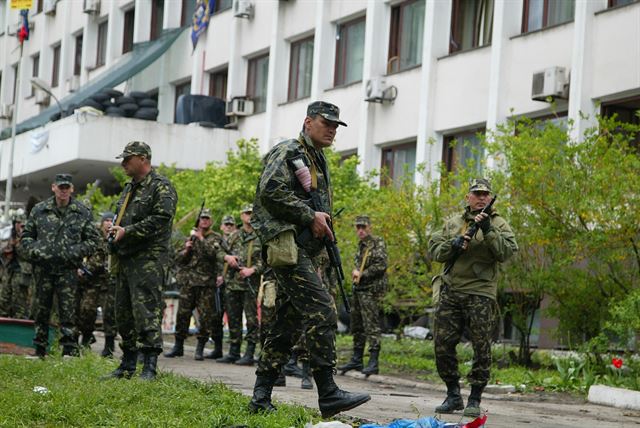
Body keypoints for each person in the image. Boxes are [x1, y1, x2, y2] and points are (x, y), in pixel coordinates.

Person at [249, 101, 370, 418]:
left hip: (306, 252)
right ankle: (328, 393)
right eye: (325, 123)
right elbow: (269, 191)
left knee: (285, 327)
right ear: (307, 122)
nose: (331, 129)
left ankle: (260, 397)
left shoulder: (317, 159)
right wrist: (309, 215)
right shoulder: (289, 151)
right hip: (289, 250)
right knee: (322, 309)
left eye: (335, 125)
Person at [428, 178, 518, 417]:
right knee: (442, 344)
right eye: (476, 194)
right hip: (451, 290)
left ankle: (475, 398)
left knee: (481, 346)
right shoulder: (453, 223)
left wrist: (488, 230)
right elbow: (434, 250)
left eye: (485, 194)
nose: (481, 198)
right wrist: (454, 245)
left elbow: (505, 253)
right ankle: (453, 395)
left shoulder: (499, 224)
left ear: (490, 198)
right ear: (468, 197)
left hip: (480, 293)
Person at [103, 141, 177, 381]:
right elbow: (121, 217)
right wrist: (115, 233)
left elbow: (161, 219)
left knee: (146, 311)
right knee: (122, 312)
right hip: (125, 258)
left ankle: (149, 365)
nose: (123, 163)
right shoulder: (129, 189)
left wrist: (129, 231)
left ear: (143, 159)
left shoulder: (161, 186)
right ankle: (127, 363)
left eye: (127, 159)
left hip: (148, 260)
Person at [20, 173, 101, 357]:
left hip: (67, 270)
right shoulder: (40, 210)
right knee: (41, 309)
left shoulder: (81, 212)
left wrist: (74, 252)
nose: (63, 191)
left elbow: (93, 241)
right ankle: (40, 348)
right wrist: (38, 251)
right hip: (44, 268)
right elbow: (26, 237)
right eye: (60, 187)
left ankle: (69, 349)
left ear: (72, 189)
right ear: (53, 187)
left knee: (68, 310)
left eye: (67, 187)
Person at [164, 208, 223, 361]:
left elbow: (212, 255)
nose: (204, 221)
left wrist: (201, 239)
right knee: (182, 314)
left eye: (207, 218)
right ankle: (178, 346)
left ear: (211, 221)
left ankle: (200, 348)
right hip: (188, 282)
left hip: (205, 284)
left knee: (205, 317)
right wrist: (187, 249)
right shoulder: (190, 237)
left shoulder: (215, 238)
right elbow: (179, 259)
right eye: (202, 218)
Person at [338, 215, 388, 376]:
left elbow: (381, 265)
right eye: (358, 227)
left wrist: (362, 274)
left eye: (363, 227)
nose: (360, 230)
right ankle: (357, 358)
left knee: (371, 325)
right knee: (357, 325)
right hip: (359, 290)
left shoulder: (377, 243)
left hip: (371, 290)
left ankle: (373, 361)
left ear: (369, 227)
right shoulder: (361, 246)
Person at [217, 204, 262, 366]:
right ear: (241, 216)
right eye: (246, 213)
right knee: (233, 318)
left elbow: (267, 259)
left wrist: (253, 269)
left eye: (251, 213)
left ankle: (249, 352)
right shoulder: (234, 236)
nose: (249, 216)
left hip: (250, 283)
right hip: (232, 283)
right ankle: (234, 351)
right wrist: (227, 257)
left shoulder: (260, 236)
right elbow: (219, 251)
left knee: (251, 319)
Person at [0, 213, 32, 319]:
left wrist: (17, 245)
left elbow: (29, 255)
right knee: (4, 299)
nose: (19, 226)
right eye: (18, 223)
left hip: (22, 273)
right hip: (9, 271)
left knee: (19, 303)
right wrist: (7, 249)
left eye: (22, 225)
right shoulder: (10, 235)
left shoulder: (30, 237)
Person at [95, 212, 118, 357]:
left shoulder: (117, 238)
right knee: (105, 313)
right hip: (99, 282)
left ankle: (112, 344)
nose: (109, 223)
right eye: (106, 220)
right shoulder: (98, 240)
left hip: (114, 281)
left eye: (111, 220)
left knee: (113, 313)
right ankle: (107, 344)